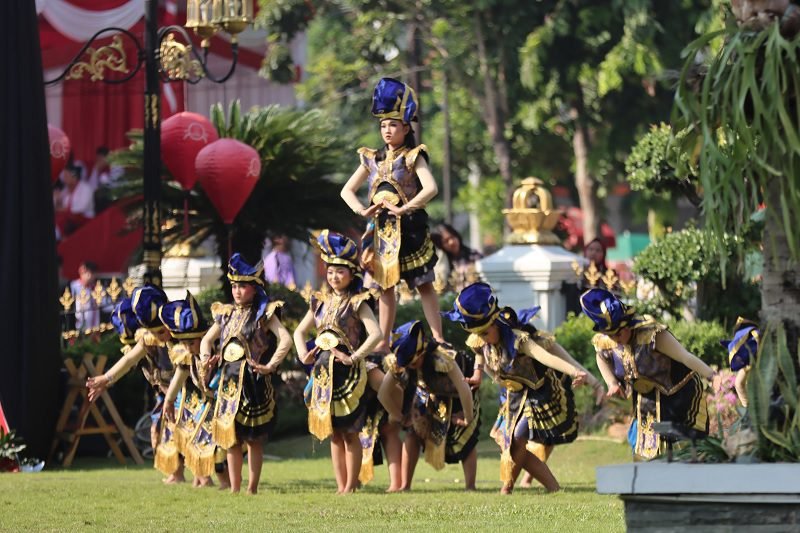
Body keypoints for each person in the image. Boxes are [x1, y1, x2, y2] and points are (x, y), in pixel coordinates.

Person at [444, 282, 604, 494]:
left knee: (518, 438)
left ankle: (509, 488)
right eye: (479, 334)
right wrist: (477, 374)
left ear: (495, 323)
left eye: (484, 333)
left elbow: (547, 357)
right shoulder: (482, 340)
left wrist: (580, 375)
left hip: (538, 394)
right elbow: (479, 353)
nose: (482, 339)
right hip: (511, 395)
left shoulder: (520, 340)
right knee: (508, 442)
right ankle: (548, 488)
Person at [340, 77, 442, 353]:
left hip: (409, 228)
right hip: (381, 231)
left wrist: (405, 208)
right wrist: (363, 210)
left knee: (424, 284)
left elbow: (431, 188)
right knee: (385, 287)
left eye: (393, 124)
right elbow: (347, 190)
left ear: (406, 127)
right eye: (383, 125)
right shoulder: (371, 158)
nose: (387, 130)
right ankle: (383, 340)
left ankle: (439, 338)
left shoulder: (413, 156)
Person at [293, 230, 384, 494]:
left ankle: (351, 486)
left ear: (351, 274)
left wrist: (354, 356)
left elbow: (376, 334)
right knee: (334, 432)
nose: (334, 276)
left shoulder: (358, 302)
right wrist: (303, 354)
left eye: (340, 272)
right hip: (323, 373)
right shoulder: (320, 302)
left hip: (350, 375)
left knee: (351, 432)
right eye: (330, 271)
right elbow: (300, 332)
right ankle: (341, 485)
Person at [581, 288, 714, 459]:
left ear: (627, 325)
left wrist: (712, 376)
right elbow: (601, 357)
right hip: (646, 399)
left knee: (685, 447)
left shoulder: (651, 335)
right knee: (647, 449)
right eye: (610, 335)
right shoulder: (608, 341)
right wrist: (612, 383)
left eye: (619, 333)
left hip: (678, 394)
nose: (615, 339)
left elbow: (685, 357)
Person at [200, 253, 292, 494]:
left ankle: (251, 488)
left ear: (255, 288)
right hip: (228, 380)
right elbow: (207, 340)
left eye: (242, 286)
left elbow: (286, 339)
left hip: (253, 380)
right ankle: (234, 488)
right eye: (234, 286)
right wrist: (206, 360)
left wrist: (271, 365)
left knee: (252, 439)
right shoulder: (225, 313)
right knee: (231, 438)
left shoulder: (264, 313)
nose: (237, 291)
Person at [85, 285, 181, 482]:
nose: (160, 337)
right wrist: (106, 378)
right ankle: (176, 473)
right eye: (155, 332)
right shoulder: (147, 339)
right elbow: (128, 361)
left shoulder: (181, 331)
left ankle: (204, 477)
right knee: (160, 431)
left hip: (186, 393)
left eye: (162, 331)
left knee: (192, 434)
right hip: (165, 393)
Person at [378, 320, 476, 491]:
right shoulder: (399, 362)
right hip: (425, 393)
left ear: (423, 354)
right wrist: (398, 415)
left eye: (413, 363)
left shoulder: (444, 358)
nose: (409, 367)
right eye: (406, 364)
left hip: (460, 394)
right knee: (411, 433)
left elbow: (464, 389)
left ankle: (470, 486)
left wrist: (468, 417)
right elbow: (383, 394)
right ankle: (404, 486)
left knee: (466, 438)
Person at [158, 291, 228, 489]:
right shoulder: (188, 357)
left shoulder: (217, 354)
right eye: (184, 343)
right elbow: (180, 377)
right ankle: (204, 480)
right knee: (195, 440)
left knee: (216, 449)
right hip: (205, 407)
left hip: (221, 407)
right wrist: (169, 400)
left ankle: (228, 484)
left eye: (191, 343)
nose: (188, 348)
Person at [431, 223, 483, 293]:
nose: (451, 242)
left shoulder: (474, 256)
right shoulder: (442, 263)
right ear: (440, 246)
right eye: (445, 241)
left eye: (452, 237)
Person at [720, 317, 759, 407]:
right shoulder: (743, 338)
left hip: (757, 363)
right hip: (748, 364)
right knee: (739, 383)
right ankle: (748, 408)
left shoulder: (754, 334)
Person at [55, 164, 94, 237]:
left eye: (66, 176)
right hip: (68, 220)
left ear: (74, 177)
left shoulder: (86, 188)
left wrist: (62, 209)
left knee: (64, 218)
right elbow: (60, 207)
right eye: (64, 176)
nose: (64, 179)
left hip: (84, 221)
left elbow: (81, 208)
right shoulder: (65, 190)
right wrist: (57, 200)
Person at [69, 261, 100, 332]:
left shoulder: (96, 288)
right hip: (78, 325)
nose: (89, 276)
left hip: (94, 326)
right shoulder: (73, 286)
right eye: (85, 272)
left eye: (91, 273)